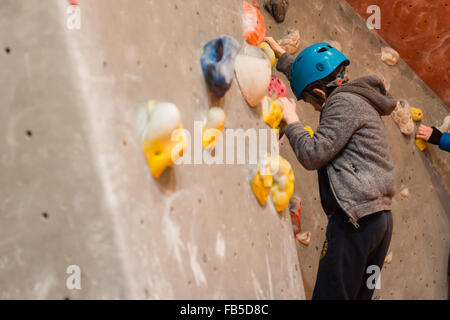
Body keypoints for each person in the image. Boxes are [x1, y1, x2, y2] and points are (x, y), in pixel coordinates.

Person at [265, 37, 396, 300]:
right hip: (378, 221)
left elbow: (313, 155)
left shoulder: (342, 103)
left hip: (355, 220)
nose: (313, 106)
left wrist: (292, 121)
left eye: (311, 101)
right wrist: (284, 60)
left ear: (320, 94)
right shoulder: (356, 97)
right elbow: (314, 78)